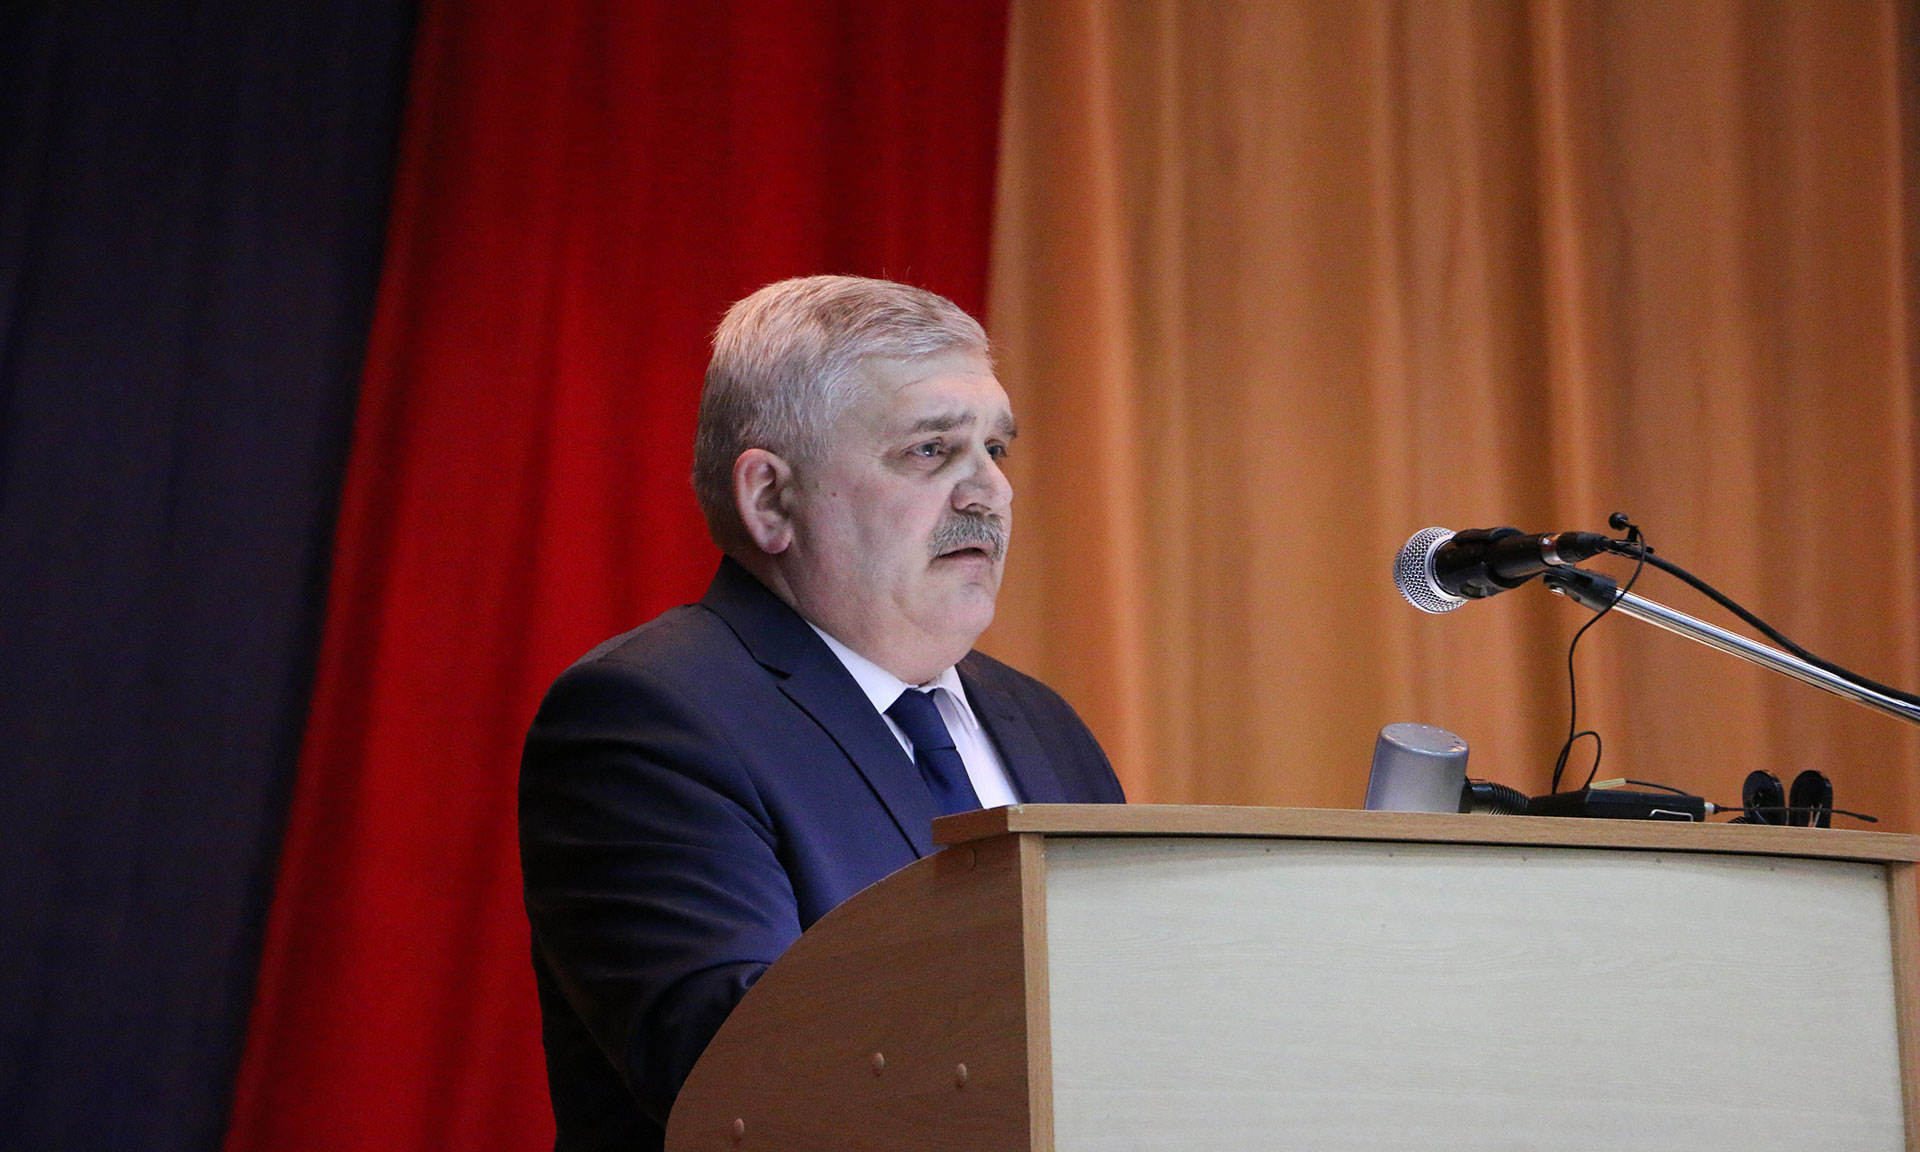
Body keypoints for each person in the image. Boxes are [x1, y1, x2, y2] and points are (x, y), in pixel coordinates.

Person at [518, 275, 1125, 1151]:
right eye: (930, 450)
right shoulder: (649, 717)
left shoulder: (1046, 726)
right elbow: (739, 1073)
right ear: (771, 498)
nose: (989, 490)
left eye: (995, 448)